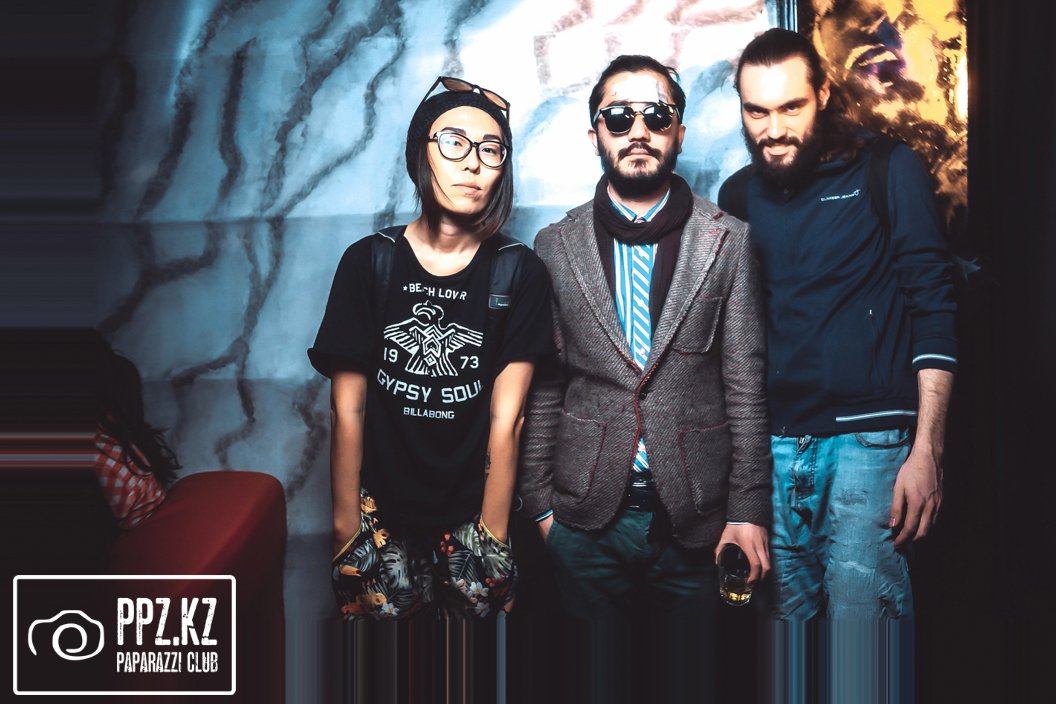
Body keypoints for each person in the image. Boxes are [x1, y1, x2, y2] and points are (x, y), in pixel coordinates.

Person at [518, 54, 771, 698]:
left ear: (679, 131)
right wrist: (540, 506)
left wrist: (746, 510)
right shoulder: (554, 244)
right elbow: (545, 385)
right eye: (619, 117)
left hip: (699, 522)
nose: (638, 131)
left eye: (656, 116)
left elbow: (744, 383)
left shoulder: (730, 240)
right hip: (583, 523)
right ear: (595, 134)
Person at [719, 28, 957, 702]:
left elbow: (934, 304)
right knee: (786, 648)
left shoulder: (888, 168)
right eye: (756, 111)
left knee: (863, 648)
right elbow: (734, 341)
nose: (773, 130)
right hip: (775, 449)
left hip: (870, 444)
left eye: (790, 107)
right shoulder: (739, 197)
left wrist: (928, 450)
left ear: (823, 94)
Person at [308, 77, 554, 621]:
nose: (473, 163)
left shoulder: (519, 271)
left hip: (470, 514)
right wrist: (346, 527)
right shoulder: (369, 261)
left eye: (491, 149)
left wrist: (492, 534)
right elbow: (347, 408)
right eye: (454, 143)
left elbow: (508, 417)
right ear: (421, 153)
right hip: (379, 513)